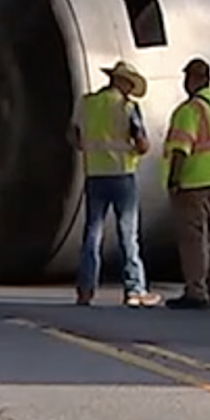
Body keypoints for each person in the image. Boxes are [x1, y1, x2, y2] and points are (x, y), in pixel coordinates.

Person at [73, 60, 162, 308]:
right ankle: (135, 290)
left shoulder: (87, 103)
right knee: (128, 235)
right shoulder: (128, 107)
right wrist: (136, 149)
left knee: (92, 234)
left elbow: (74, 137)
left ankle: (85, 290)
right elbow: (142, 143)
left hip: (95, 175)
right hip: (122, 175)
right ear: (123, 82)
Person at [162, 57, 210, 310]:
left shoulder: (190, 111)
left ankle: (196, 291)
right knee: (207, 240)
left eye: (187, 78)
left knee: (193, 241)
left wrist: (174, 180)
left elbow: (180, 149)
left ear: (195, 79)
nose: (185, 83)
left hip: (192, 184)